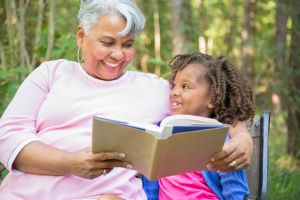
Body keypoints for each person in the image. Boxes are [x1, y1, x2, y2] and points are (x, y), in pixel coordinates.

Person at [0, 0, 252, 199]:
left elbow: (214, 105)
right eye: (107, 42)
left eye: (128, 44)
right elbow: (8, 136)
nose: (118, 55)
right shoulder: (52, 73)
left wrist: (242, 139)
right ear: (81, 36)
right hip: (26, 193)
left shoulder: (153, 89)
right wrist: (70, 163)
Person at [143, 52, 255, 200]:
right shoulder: (161, 132)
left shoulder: (219, 139)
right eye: (174, 85)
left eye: (185, 86)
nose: (174, 92)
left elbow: (235, 191)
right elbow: (151, 185)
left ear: (212, 99)